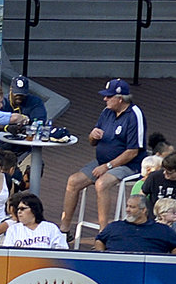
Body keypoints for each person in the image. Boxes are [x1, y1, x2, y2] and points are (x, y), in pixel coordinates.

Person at [61, 77, 146, 234]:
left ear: (120, 99)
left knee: (101, 184)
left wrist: (108, 167)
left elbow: (132, 151)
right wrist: (92, 135)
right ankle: (64, 231)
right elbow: (92, 142)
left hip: (128, 165)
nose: (105, 99)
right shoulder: (107, 112)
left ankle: (103, 233)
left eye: (109, 96)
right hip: (102, 161)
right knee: (73, 181)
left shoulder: (134, 115)